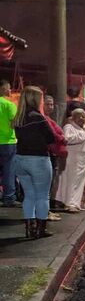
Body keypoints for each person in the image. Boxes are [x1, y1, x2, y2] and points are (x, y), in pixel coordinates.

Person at [13, 86, 55, 238]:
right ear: (36, 99)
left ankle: (29, 228)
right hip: (38, 159)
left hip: (20, 159)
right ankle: (40, 229)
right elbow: (51, 137)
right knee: (43, 195)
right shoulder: (38, 117)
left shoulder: (19, 117)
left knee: (29, 195)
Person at [57, 109, 85, 213]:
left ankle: (75, 202)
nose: (81, 119)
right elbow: (68, 139)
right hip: (73, 158)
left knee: (79, 182)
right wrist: (84, 133)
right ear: (74, 117)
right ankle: (69, 203)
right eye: (79, 116)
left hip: (83, 159)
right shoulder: (69, 127)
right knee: (72, 181)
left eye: (83, 117)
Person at [42, 95, 67, 221]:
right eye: (47, 104)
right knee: (46, 184)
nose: (50, 107)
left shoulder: (48, 118)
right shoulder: (43, 119)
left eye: (52, 104)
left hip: (52, 153)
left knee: (50, 183)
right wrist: (63, 138)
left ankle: (46, 211)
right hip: (48, 153)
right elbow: (53, 135)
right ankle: (44, 212)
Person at [0, 79, 19, 207]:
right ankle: (9, 197)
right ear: (2, 89)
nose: (10, 90)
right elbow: (15, 122)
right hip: (8, 142)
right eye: (8, 88)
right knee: (9, 170)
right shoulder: (9, 104)